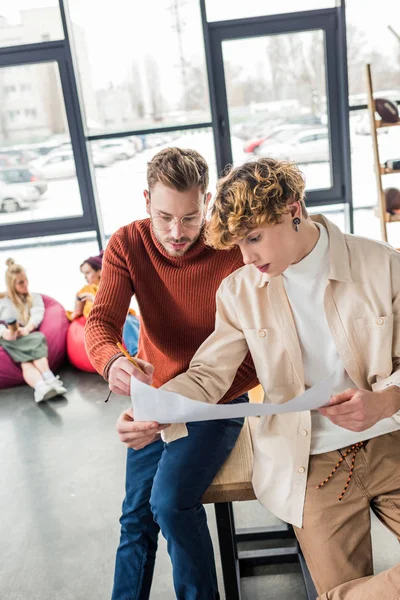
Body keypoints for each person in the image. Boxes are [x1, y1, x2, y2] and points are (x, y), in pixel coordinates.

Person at [155, 157, 400, 600]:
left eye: (254, 238)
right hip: (311, 461)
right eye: (237, 244)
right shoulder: (239, 292)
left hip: (392, 442)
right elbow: (209, 373)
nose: (247, 257)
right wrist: (155, 407)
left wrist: (385, 401)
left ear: (294, 209)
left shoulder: (382, 264)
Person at [85, 147, 258, 600]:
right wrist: (113, 360)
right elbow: (100, 324)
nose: (175, 232)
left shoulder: (231, 246)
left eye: (188, 217)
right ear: (147, 201)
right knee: (136, 518)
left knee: (170, 503)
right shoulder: (127, 244)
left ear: (206, 202)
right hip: (157, 398)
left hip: (217, 398)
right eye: (164, 217)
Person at [0, 258, 67, 403]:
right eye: (20, 282)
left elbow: (37, 315)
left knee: (35, 342)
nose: (25, 285)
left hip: (25, 335)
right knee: (34, 343)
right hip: (7, 338)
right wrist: (5, 332)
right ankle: (48, 381)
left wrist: (26, 329)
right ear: (12, 285)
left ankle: (43, 386)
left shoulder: (34, 298)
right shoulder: (2, 301)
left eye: (26, 280)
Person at [67, 251, 103, 321]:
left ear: (99, 271)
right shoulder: (84, 290)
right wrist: (77, 309)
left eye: (88, 273)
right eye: (84, 274)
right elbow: (76, 314)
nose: (85, 277)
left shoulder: (110, 287)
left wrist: (94, 300)